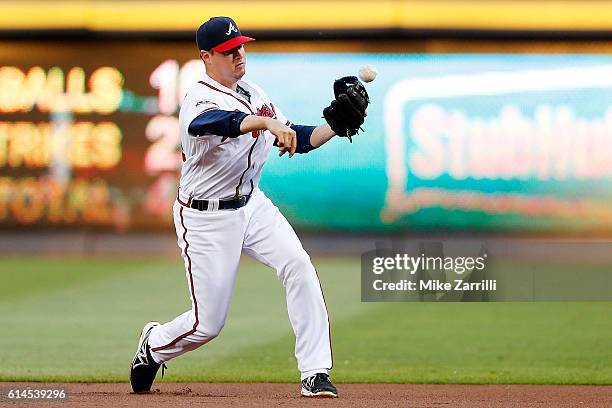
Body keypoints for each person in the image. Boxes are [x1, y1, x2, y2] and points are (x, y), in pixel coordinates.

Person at [130, 16, 368, 398]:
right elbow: (213, 123)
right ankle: (154, 344)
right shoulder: (199, 98)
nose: (238, 54)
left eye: (240, 46)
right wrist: (266, 124)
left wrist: (334, 126)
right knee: (207, 324)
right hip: (205, 217)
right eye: (228, 51)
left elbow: (298, 139)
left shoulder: (254, 92)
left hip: (252, 205)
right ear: (207, 57)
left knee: (298, 265)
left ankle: (315, 371)